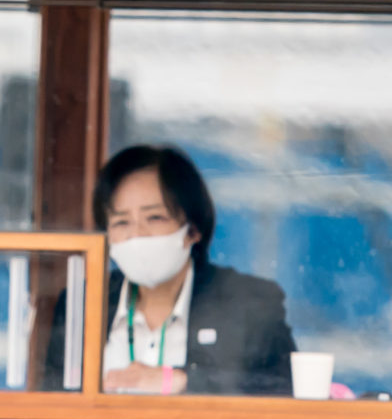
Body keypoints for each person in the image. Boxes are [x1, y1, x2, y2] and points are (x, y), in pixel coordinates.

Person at [42, 144, 296, 396]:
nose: (136, 235)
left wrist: (182, 381)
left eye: (155, 218)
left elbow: (284, 392)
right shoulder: (82, 304)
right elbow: (52, 400)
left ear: (193, 230)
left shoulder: (249, 304)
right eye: (121, 222)